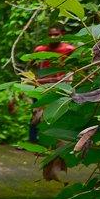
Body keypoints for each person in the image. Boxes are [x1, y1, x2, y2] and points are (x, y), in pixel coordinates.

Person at [31, 25, 75, 180]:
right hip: (41, 88)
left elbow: (74, 68)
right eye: (50, 34)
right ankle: (38, 145)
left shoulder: (69, 49)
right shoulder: (40, 50)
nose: (53, 37)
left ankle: (57, 150)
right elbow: (34, 66)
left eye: (56, 34)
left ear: (62, 34)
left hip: (60, 89)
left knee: (57, 117)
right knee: (37, 117)